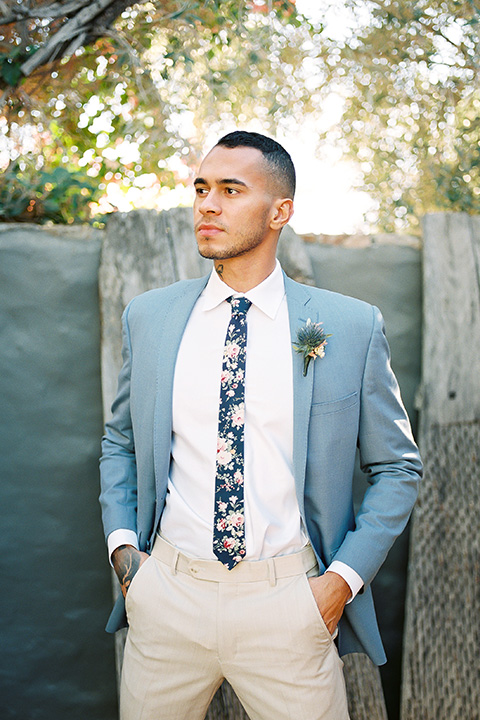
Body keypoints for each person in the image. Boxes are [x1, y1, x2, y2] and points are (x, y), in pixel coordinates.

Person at [99, 130, 422, 720]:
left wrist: (338, 585)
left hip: (290, 606)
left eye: (230, 189)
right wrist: (126, 558)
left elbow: (397, 467)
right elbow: (120, 439)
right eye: (200, 189)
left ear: (281, 211)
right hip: (165, 597)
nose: (207, 205)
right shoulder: (149, 317)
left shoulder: (348, 327)